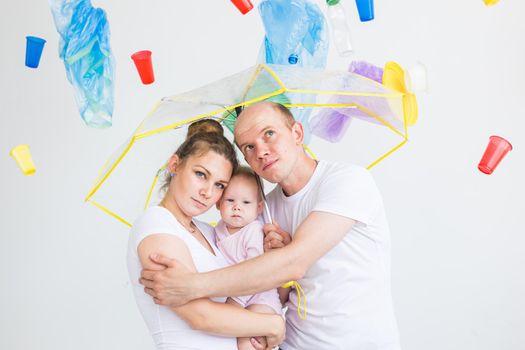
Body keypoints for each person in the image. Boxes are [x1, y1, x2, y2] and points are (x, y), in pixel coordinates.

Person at [140, 102, 401, 350]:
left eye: (269, 134)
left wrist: (193, 285)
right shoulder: (264, 207)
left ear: (297, 132)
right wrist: (276, 279)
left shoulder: (347, 181)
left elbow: (295, 262)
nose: (261, 151)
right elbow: (276, 291)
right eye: (248, 147)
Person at [127, 119, 285, 350]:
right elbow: (200, 316)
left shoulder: (209, 232)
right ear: (174, 165)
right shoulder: (157, 224)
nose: (207, 192)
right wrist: (273, 325)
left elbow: (249, 293)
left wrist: (271, 258)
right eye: (201, 174)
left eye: (220, 185)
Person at [214, 165, 282, 350]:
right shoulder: (217, 230)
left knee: (246, 343)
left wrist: (236, 302)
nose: (237, 207)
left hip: (260, 300)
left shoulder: (253, 231)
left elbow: (255, 272)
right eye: (230, 200)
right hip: (236, 299)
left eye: (246, 203)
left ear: (259, 207)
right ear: (218, 203)